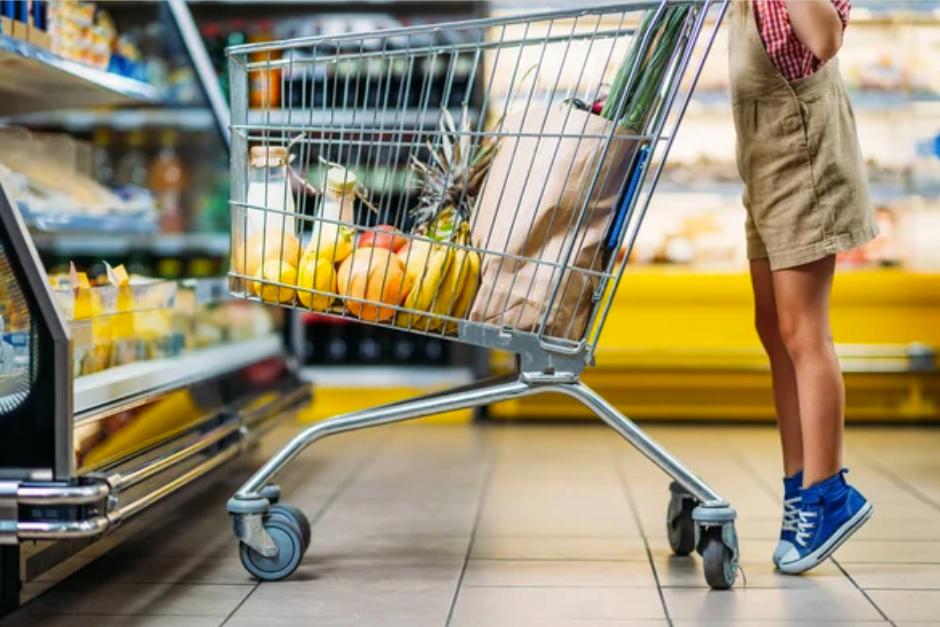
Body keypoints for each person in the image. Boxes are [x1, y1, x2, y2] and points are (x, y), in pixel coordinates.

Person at [729, 0, 876, 574]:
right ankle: (799, 486)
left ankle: (829, 493)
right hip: (766, 164)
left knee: (804, 333)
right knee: (774, 330)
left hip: (804, 162)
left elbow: (824, 38)